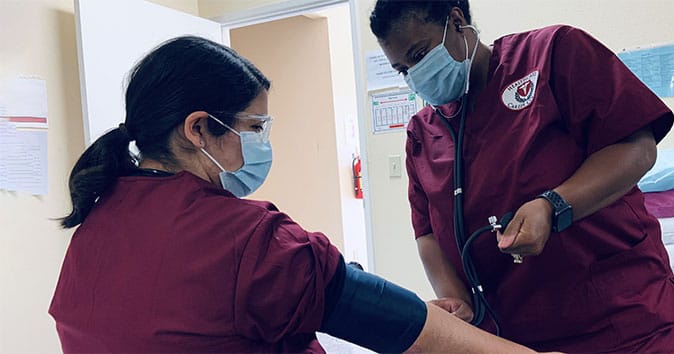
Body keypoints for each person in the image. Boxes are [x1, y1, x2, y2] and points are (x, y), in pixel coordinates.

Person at [48, 36, 545, 354]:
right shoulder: (247, 241)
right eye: (255, 126)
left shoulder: (95, 222)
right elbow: (388, 322)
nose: (263, 142)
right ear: (199, 129)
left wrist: (410, 313)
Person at [369, 0, 674, 352]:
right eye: (404, 70)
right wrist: (458, 303)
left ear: (456, 20)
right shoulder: (423, 133)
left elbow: (637, 148)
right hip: (512, 340)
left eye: (420, 55)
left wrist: (552, 205)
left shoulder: (553, 55)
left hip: (617, 323)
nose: (416, 75)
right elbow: (428, 233)